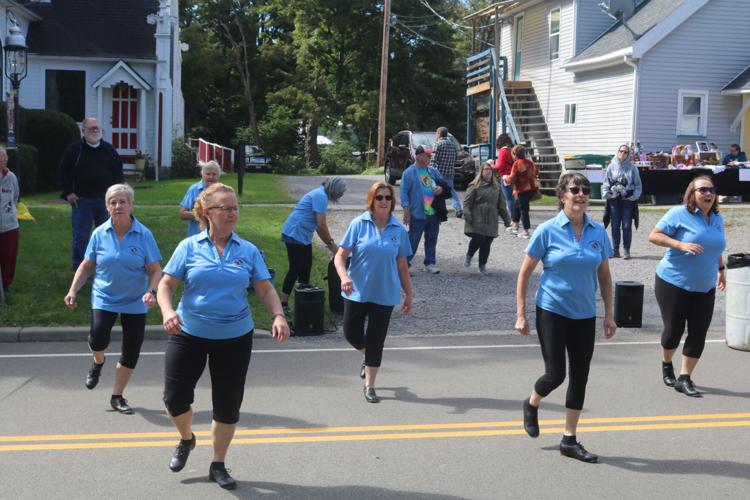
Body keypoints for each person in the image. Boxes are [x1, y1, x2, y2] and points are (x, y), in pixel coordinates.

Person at [157, 183, 290, 490]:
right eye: (225, 208)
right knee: (174, 399)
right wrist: (167, 312)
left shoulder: (248, 250)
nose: (232, 213)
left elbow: (265, 287)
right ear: (207, 212)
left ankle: (218, 463)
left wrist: (278, 315)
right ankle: (187, 438)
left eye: (235, 208)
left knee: (227, 404)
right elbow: (165, 286)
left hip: (234, 337)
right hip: (188, 332)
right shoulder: (189, 247)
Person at [516, 172, 616, 464]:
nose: (581, 194)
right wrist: (520, 313)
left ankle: (569, 439)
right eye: (575, 189)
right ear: (563, 195)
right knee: (556, 374)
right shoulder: (547, 230)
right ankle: (532, 402)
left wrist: (609, 314)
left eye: (585, 189)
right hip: (552, 310)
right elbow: (524, 274)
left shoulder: (598, 232)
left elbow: (605, 276)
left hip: (585, 314)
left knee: (580, 377)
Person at [63, 184, 162, 415]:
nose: (118, 206)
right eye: (113, 202)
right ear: (107, 207)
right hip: (104, 297)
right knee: (97, 339)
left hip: (135, 300)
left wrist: (152, 292)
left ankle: (117, 396)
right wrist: (72, 290)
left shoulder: (144, 234)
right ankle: (98, 363)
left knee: (131, 351)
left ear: (131, 205)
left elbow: (156, 270)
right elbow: (87, 266)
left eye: (123, 202)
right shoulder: (99, 234)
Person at [335, 181, 413, 403]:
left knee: (377, 340)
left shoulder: (398, 229)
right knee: (351, 333)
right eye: (379, 197)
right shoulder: (358, 224)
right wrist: (344, 277)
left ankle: (370, 385)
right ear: (371, 200)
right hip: (357, 291)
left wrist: (409, 294)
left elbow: (402, 266)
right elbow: (339, 257)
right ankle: (367, 356)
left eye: (388, 198)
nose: (384, 202)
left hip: (385, 293)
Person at [648, 175, 725, 398]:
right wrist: (679, 244)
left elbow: (716, 246)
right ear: (692, 194)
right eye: (702, 190)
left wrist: (721, 271)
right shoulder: (678, 213)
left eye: (711, 190)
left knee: (698, 333)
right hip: (673, 282)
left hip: (705, 285)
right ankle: (666, 364)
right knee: (673, 331)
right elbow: (654, 235)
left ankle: (684, 378)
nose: (708, 193)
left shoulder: (717, 217)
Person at [59, 117, 124, 269]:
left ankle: (105, 264)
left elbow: (118, 173)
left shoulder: (109, 150)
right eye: (91, 128)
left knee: (108, 235)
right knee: (81, 236)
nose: (95, 131)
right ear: (83, 131)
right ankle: (80, 267)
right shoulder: (74, 150)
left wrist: (118, 195)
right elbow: (63, 171)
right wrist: (69, 193)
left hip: (106, 202)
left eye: (97, 128)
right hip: (82, 200)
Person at [280, 176, 346, 315]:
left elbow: (318, 225)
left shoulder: (320, 194)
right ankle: (283, 304)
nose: (342, 193)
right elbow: (321, 224)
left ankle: (303, 299)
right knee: (296, 268)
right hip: (295, 234)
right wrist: (333, 247)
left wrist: (331, 245)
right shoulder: (320, 196)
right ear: (334, 189)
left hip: (302, 236)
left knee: (307, 265)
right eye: (341, 191)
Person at [400, 146, 446, 274]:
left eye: (430, 156)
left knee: (432, 238)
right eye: (428, 155)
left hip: (433, 212)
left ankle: (430, 263)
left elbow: (444, 185)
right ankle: (404, 264)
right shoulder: (409, 173)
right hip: (417, 212)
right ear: (419, 156)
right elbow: (403, 194)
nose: (430, 158)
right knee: (413, 239)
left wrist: (441, 189)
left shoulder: (433, 171)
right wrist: (406, 211)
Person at [602, 144, 642, 259]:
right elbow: (606, 183)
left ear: (628, 154)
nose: (623, 154)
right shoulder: (611, 166)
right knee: (614, 225)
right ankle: (615, 250)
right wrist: (607, 194)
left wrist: (634, 196)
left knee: (626, 225)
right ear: (617, 152)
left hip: (627, 199)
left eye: (625, 152)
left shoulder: (633, 168)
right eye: (621, 151)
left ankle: (626, 251)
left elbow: (638, 185)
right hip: (614, 199)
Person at [463, 162, 502, 274]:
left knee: (487, 241)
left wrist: (507, 220)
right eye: (485, 169)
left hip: (491, 218)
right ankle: (469, 255)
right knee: (479, 238)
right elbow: (466, 203)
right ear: (481, 172)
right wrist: (468, 215)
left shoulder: (497, 187)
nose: (488, 171)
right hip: (477, 217)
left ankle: (482, 265)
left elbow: (501, 204)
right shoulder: (474, 186)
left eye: (490, 169)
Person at [179, 160, 222, 236]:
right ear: (202, 174)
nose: (211, 177)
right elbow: (182, 214)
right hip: (196, 236)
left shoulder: (223, 191)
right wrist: (200, 213)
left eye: (214, 174)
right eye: (208, 174)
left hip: (217, 236)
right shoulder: (194, 189)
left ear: (219, 176)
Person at [504, 145, 538, 239]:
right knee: (516, 206)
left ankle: (526, 232)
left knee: (524, 210)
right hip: (531, 188)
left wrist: (505, 178)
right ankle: (515, 226)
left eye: (512, 154)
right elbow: (536, 171)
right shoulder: (529, 162)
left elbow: (512, 178)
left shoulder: (517, 163)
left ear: (515, 154)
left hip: (522, 189)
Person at [0, 147, 19, 298]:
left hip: (10, 224)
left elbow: (15, 197)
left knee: (9, 256)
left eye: (5, 155)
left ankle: (6, 284)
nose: (4, 158)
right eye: (0, 156)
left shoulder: (11, 176)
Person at [433, 126, 462, 218]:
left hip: (439, 172)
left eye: (436, 133)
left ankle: (439, 209)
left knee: (437, 191)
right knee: (451, 191)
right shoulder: (452, 145)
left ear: (439, 134)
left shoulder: (438, 144)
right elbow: (455, 159)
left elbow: (434, 159)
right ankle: (458, 209)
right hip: (450, 172)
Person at [492, 133, 515, 221]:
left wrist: (491, 165)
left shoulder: (503, 151)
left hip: (505, 176)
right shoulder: (511, 150)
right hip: (512, 176)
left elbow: (499, 166)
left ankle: (512, 219)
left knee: (509, 199)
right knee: (508, 198)